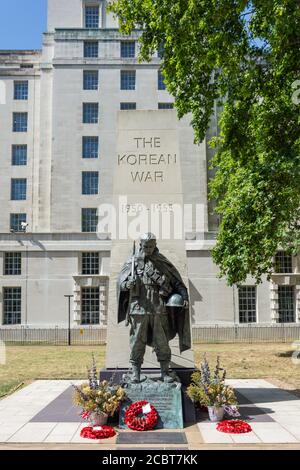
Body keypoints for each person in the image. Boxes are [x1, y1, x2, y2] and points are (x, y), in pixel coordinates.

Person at [117, 233, 191, 383]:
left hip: (158, 308)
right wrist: (127, 284)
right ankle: (135, 372)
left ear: (155, 245)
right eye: (146, 246)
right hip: (138, 308)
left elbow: (177, 282)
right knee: (137, 341)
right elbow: (120, 283)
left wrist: (185, 296)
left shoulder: (162, 262)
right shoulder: (132, 262)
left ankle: (165, 371)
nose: (149, 249)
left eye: (151, 246)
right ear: (141, 246)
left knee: (161, 341)